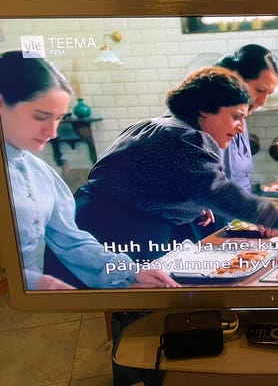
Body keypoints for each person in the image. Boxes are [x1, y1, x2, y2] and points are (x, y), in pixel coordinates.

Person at [73, 66, 278, 265]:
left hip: (99, 218)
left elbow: (143, 180)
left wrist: (189, 203)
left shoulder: (154, 125)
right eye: (236, 117)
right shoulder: (187, 137)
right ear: (204, 109)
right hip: (116, 228)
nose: (240, 128)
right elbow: (218, 190)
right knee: (139, 299)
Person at [0, 50, 178, 290]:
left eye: (58, 118)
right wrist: (33, 282)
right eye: (41, 116)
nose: (52, 132)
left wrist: (130, 270)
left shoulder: (40, 172)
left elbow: (70, 241)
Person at [216, 44, 278, 191]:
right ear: (234, 78)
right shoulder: (208, 119)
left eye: (268, 94)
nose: (262, 102)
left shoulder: (241, 115)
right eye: (260, 90)